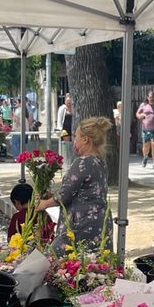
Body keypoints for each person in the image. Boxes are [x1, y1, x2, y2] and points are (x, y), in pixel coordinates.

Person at [37, 117, 113, 255]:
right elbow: (83, 191)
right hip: (99, 221)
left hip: (81, 223)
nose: (74, 140)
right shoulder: (101, 162)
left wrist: (44, 203)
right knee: (94, 266)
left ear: (85, 139)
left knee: (64, 262)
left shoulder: (82, 163)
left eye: (76, 136)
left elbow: (64, 196)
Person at [136, 91, 154, 170]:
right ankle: (145, 157)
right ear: (147, 98)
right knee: (146, 147)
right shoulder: (143, 105)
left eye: (153, 97)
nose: (151, 98)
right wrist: (140, 115)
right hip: (145, 130)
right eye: (150, 97)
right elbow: (137, 114)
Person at [57, 93, 73, 169]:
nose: (69, 103)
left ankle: (72, 161)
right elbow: (59, 120)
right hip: (65, 129)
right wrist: (60, 129)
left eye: (70, 101)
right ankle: (65, 161)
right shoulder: (62, 108)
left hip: (73, 128)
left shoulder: (74, 108)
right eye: (67, 101)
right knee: (66, 145)